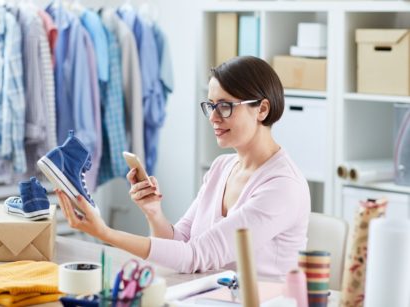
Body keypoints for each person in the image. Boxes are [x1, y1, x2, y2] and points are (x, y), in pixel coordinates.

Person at [56, 56, 310, 281]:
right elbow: (181, 244)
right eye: (211, 105)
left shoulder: (282, 186)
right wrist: (153, 213)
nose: (213, 117)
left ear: (262, 109)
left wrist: (106, 233)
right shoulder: (222, 167)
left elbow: (196, 256)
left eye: (225, 106)